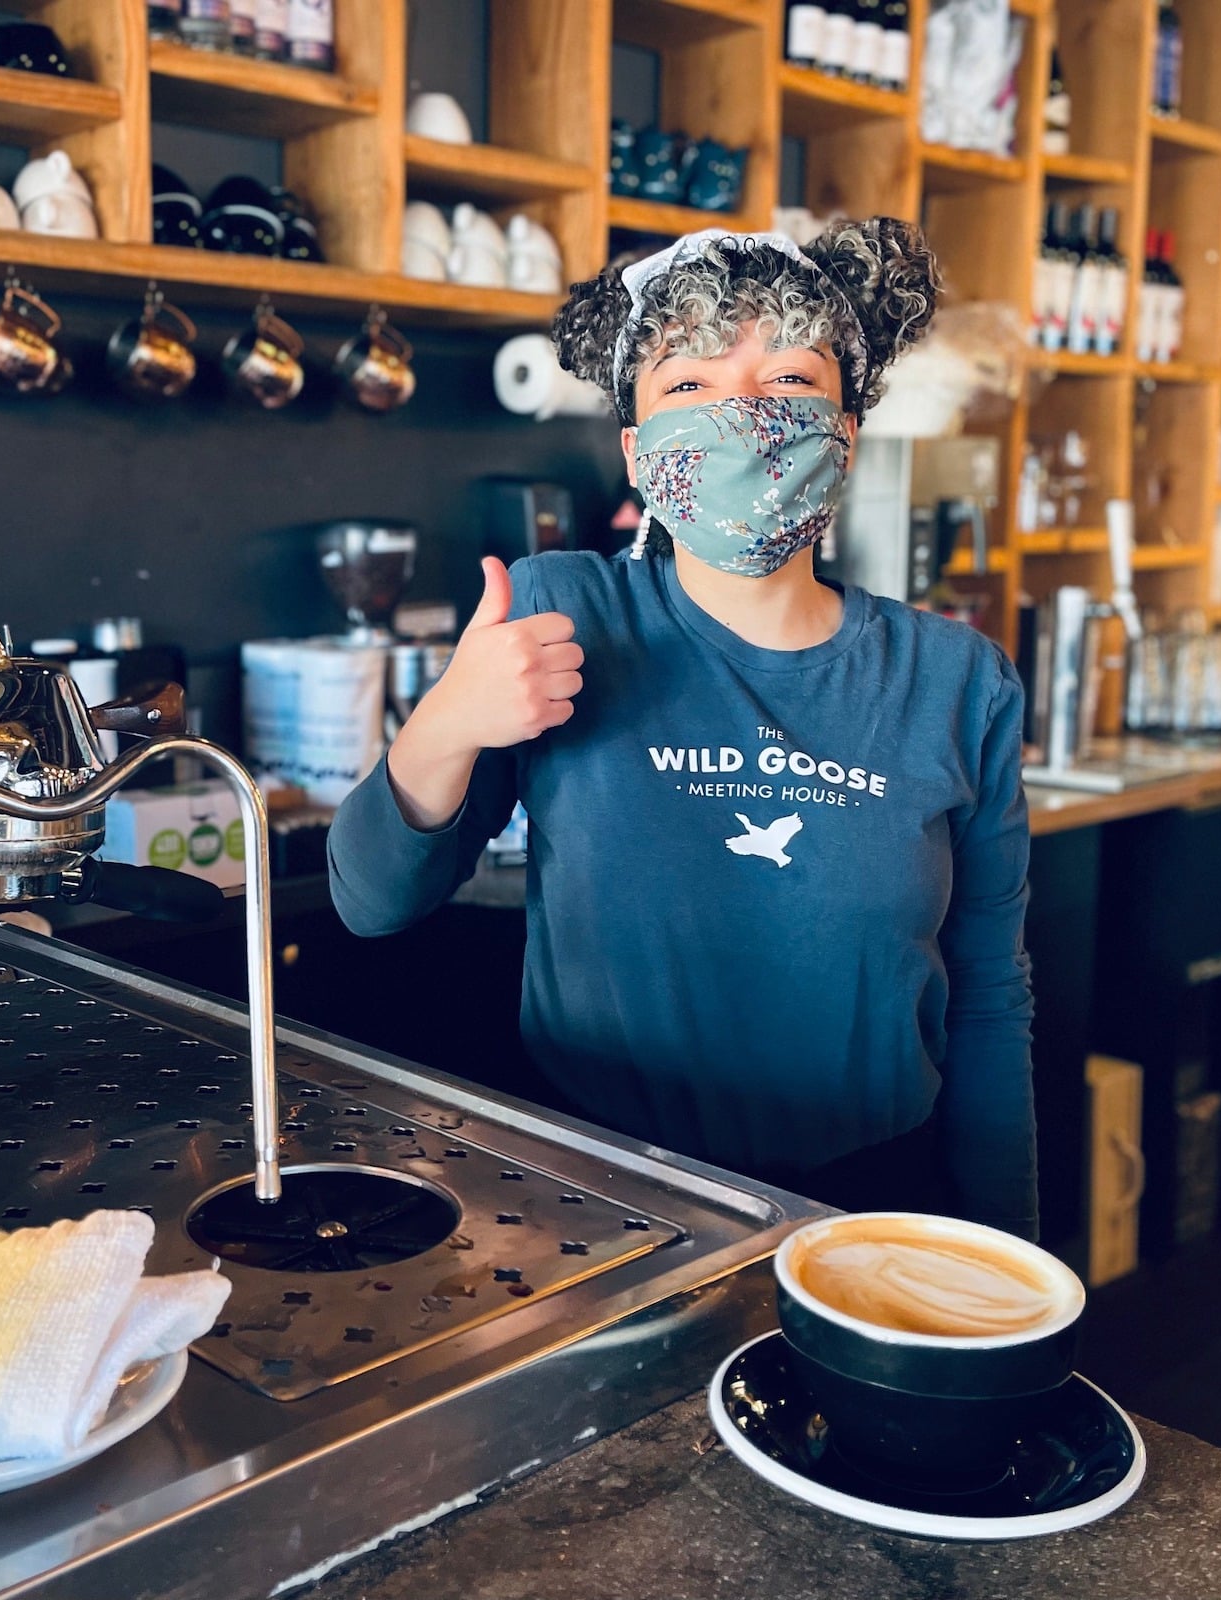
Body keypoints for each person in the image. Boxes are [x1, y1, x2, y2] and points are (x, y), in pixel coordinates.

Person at [327, 222, 1038, 1239]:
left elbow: (987, 999)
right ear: (633, 451)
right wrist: (447, 720)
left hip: (877, 1209)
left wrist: (1001, 1256)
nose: (743, 412)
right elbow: (369, 900)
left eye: (789, 378)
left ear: (848, 424)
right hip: (601, 1202)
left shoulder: (957, 680)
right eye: (689, 386)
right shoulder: (559, 612)